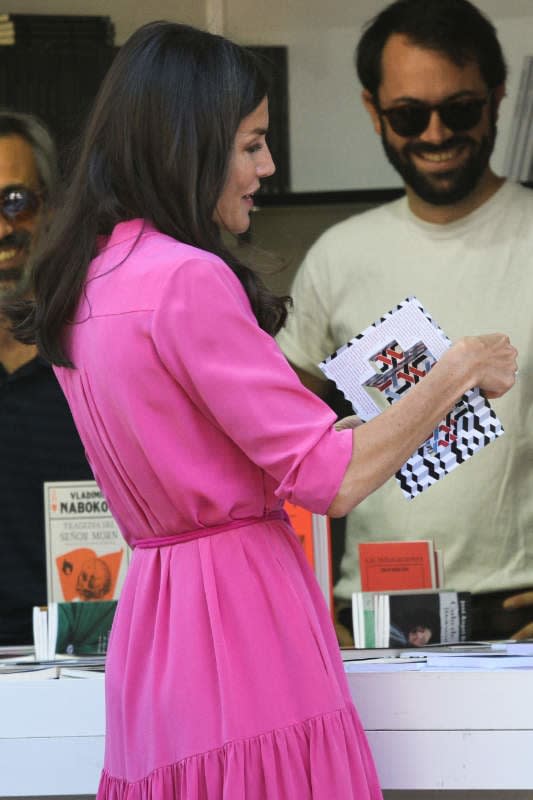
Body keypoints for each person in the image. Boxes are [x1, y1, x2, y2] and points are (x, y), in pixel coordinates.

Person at [4, 22, 516, 799]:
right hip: (243, 619)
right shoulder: (188, 277)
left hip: (155, 622)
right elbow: (327, 481)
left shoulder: (92, 279)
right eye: (250, 144)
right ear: (192, 144)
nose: (266, 168)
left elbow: (215, 451)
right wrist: (453, 374)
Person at [277, 0, 533, 643]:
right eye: (409, 115)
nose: (437, 133)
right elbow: (272, 441)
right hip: (369, 619)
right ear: (374, 111)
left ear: (498, 98)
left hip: (519, 613)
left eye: (462, 109)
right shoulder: (338, 256)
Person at [0, 111, 92, 645]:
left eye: (15, 202)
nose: (4, 227)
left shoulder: (98, 356)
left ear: (51, 210)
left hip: (88, 665)